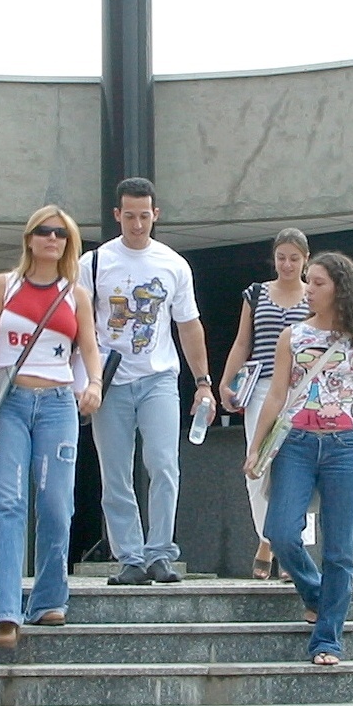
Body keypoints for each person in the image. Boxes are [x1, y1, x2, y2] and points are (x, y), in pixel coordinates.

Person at [246, 250, 353, 664]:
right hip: (295, 443)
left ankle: (327, 638)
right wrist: (256, 446)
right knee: (280, 531)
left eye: (317, 283)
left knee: (340, 550)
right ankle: (316, 592)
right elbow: (276, 394)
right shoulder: (292, 337)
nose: (309, 290)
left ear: (339, 288)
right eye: (309, 282)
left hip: (344, 447)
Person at [0, 205, 103, 648]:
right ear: (29, 238)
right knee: (7, 502)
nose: (51, 239)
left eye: (60, 233)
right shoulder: (4, 286)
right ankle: (6, 609)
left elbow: (90, 347)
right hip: (11, 402)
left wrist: (93, 383)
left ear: (69, 243)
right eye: (43, 231)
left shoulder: (75, 293)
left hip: (58, 402)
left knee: (57, 505)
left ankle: (49, 599)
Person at [85, 177, 213, 586]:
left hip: (158, 376)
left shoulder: (173, 264)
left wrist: (203, 381)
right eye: (130, 216)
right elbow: (82, 324)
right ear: (117, 215)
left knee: (162, 463)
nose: (137, 225)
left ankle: (160, 552)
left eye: (145, 216)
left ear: (155, 215)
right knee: (116, 471)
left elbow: (189, 325)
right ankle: (130, 557)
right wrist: (85, 377)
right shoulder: (96, 262)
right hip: (111, 382)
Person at [218, 229, 311, 580]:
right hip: (261, 387)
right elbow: (244, 343)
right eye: (281, 257)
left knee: (297, 471)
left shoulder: (313, 295)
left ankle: (288, 549)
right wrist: (227, 382)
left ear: (305, 260)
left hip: (302, 390)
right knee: (257, 468)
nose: (287, 264)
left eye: (294, 258)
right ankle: (267, 538)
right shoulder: (256, 293)